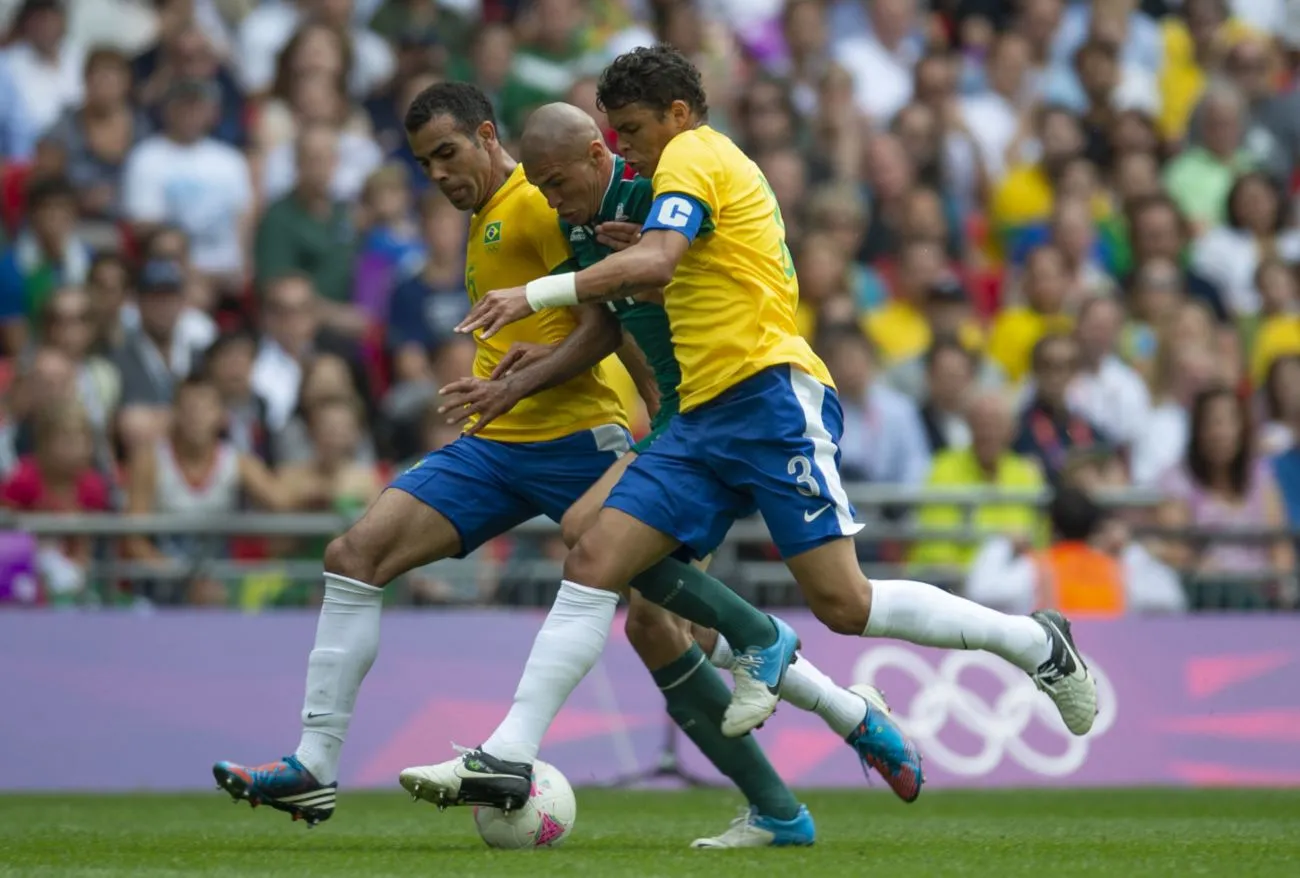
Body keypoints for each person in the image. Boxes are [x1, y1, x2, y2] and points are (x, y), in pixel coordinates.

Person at [409, 44, 1097, 816]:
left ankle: (1035, 644)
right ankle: (508, 754)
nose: (625, 148)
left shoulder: (697, 155)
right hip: (699, 413)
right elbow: (657, 273)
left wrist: (535, 293)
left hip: (769, 394)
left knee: (845, 603)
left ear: (677, 114)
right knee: (594, 553)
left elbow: (662, 260)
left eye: (630, 130)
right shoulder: (650, 183)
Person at [211, 83, 818, 847]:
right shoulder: (487, 220)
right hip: (498, 444)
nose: (438, 172)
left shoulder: (540, 201)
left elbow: (612, 312)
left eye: (448, 152)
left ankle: (827, 732)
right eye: (426, 162)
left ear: (486, 136)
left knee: (665, 628)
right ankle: (313, 765)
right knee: (353, 554)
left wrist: (658, 414)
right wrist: (507, 389)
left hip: (578, 442)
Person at [479, 103, 912, 846]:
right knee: (652, 624)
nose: (553, 200)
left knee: (616, 570)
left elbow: (671, 272)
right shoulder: (579, 222)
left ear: (599, 152)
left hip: (714, 411)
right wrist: (532, 370)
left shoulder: (658, 190)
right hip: (686, 421)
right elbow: (608, 320)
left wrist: (622, 270)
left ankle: (773, 678)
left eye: (557, 181)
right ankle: (828, 738)